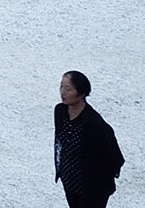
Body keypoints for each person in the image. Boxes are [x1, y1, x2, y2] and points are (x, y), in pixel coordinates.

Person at [54, 71, 124, 207]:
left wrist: (100, 178)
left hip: (92, 189)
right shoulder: (60, 112)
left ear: (81, 94)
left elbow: (115, 157)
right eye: (61, 86)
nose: (62, 92)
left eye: (68, 89)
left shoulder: (94, 124)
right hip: (70, 181)